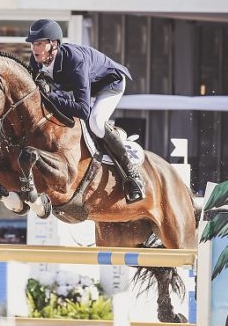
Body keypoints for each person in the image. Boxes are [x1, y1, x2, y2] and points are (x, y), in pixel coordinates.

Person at [25, 19, 145, 203]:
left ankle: (132, 175)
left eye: (40, 43)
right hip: (85, 88)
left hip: (110, 84)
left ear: (54, 44)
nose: (35, 48)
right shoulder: (36, 61)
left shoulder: (75, 60)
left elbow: (82, 110)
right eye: (33, 44)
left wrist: (52, 96)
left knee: (96, 123)